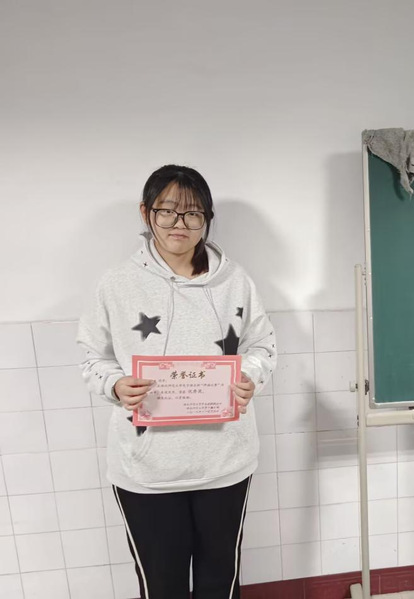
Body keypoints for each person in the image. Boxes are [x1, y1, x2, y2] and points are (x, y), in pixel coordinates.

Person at [77, 164, 277, 599]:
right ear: (146, 212)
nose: (179, 223)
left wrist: (249, 378)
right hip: (146, 469)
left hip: (224, 462)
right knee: (162, 585)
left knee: (220, 582)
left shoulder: (235, 281)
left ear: (207, 218)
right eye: (167, 211)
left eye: (192, 213)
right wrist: (115, 385)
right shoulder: (116, 284)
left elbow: (263, 346)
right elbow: (93, 356)